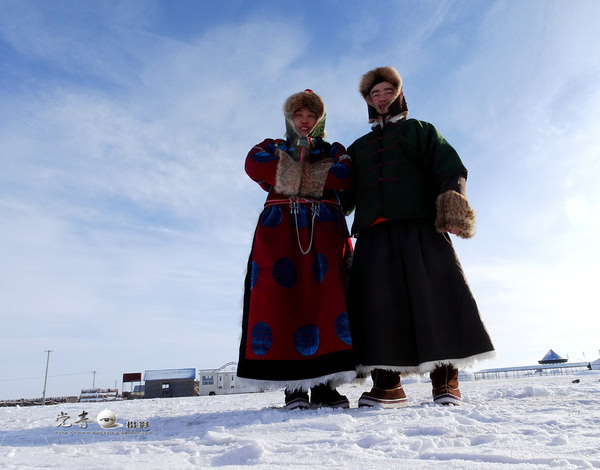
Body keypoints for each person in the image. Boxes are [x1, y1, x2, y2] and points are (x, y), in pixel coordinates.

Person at [343, 66, 495, 407]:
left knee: (436, 297)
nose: (381, 98)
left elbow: (450, 168)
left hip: (421, 227)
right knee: (380, 307)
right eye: (374, 94)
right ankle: (388, 384)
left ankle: (445, 381)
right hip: (374, 236)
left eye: (387, 92)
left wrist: (452, 206)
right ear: (368, 101)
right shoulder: (358, 148)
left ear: (398, 93)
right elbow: (343, 193)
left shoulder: (421, 131)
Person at [237, 89, 356, 410]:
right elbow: (253, 164)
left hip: (325, 231)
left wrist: (290, 174)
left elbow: (344, 175)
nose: (305, 122)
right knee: (282, 302)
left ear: (320, 120)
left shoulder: (334, 148)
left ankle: (326, 387)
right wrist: (317, 175)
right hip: (281, 232)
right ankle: (294, 389)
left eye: (311, 116)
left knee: (327, 302)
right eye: (299, 116)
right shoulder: (271, 146)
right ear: (290, 119)